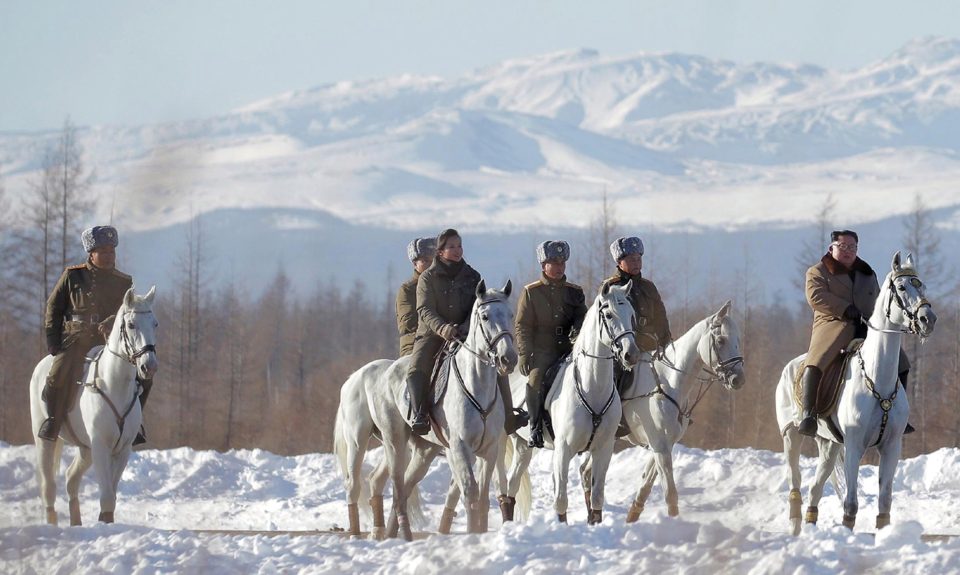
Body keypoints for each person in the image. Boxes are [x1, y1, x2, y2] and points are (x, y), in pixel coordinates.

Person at [404, 228, 525, 435]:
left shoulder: (473, 276)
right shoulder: (428, 277)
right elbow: (424, 309)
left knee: (498, 363)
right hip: (433, 334)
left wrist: (465, 327)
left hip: (466, 333)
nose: (457, 250)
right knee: (417, 368)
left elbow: (478, 307)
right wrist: (443, 328)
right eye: (451, 247)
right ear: (440, 252)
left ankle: (508, 416)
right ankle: (420, 414)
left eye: (459, 245)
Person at [40, 226, 153, 445]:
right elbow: (53, 308)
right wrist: (53, 340)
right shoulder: (72, 276)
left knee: (145, 375)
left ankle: (134, 423)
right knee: (58, 373)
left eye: (112, 251)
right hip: (76, 339)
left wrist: (110, 322)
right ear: (91, 253)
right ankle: (53, 420)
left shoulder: (124, 282)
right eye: (104, 251)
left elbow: (126, 312)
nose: (110, 256)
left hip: (111, 341)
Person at [799, 230, 912, 436]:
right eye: (843, 247)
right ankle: (808, 414)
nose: (848, 251)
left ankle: (899, 414)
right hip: (833, 324)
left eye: (852, 247)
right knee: (818, 360)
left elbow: (880, 299)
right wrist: (844, 308)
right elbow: (816, 296)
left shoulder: (867, 273)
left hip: (867, 325)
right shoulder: (818, 271)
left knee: (902, 362)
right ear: (831, 247)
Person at [515, 240, 587, 448]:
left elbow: (583, 317)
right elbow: (522, 326)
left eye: (562, 262)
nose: (559, 267)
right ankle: (535, 427)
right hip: (543, 350)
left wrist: (577, 330)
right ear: (543, 265)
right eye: (554, 263)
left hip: (569, 348)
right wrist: (524, 353)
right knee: (535, 380)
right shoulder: (531, 292)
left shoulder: (575, 292)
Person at [600, 236, 672, 393]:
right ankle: (617, 412)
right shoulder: (611, 287)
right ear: (619, 262)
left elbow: (660, 315)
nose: (637, 263)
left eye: (639, 259)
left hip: (652, 345)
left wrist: (665, 339)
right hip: (624, 349)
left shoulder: (648, 286)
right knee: (620, 379)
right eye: (632, 259)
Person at [397, 237, 436, 357]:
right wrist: (440, 327)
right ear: (415, 263)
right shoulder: (408, 289)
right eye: (425, 261)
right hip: (415, 345)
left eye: (434, 260)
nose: (431, 265)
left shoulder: (446, 287)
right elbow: (409, 323)